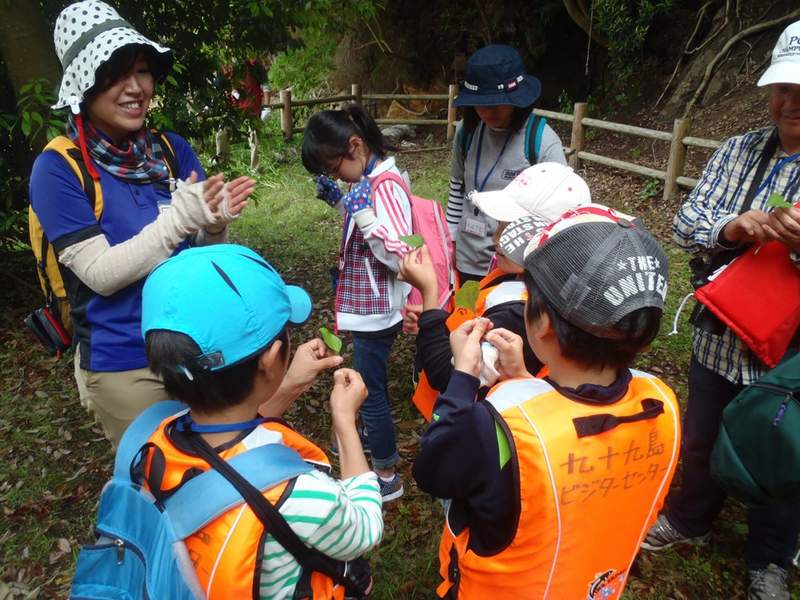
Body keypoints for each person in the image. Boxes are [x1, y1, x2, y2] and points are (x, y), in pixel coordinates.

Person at [413, 205, 681, 599]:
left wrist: (463, 380)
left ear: (542, 325)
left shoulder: (497, 425)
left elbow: (433, 472)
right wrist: (523, 381)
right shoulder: (662, 403)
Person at [28, 0, 255, 447]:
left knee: (220, 474)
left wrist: (213, 226)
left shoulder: (169, 150)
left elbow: (198, 262)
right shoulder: (57, 169)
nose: (136, 87)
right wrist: (178, 221)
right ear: (85, 86)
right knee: (165, 487)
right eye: (114, 74)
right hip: (124, 366)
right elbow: (102, 275)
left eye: (143, 70)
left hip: (196, 345)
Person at [643, 21, 800, 600]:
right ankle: (691, 517)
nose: (789, 103)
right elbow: (687, 222)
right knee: (703, 429)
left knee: (782, 445)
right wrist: (732, 227)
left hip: (790, 350)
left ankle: (771, 558)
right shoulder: (737, 151)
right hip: (722, 330)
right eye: (782, 88)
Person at [139, 244, 383, 600]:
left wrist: (288, 384)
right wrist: (345, 421)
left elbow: (229, 451)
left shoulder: (155, 443)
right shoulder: (298, 494)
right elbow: (364, 529)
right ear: (271, 358)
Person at [399, 163, 590, 420]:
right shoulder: (519, 279)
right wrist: (435, 321)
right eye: (500, 226)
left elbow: (447, 377)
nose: (495, 238)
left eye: (510, 229)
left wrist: (430, 296)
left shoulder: (518, 316)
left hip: (471, 427)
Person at [301, 104, 413, 502]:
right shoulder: (367, 180)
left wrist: (363, 212)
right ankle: (368, 436)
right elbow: (365, 223)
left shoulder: (386, 184)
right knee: (369, 380)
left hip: (379, 311)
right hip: (366, 307)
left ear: (355, 145)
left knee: (371, 389)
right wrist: (343, 202)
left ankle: (385, 471)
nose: (336, 178)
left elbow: (401, 255)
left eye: (334, 169)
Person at [446, 44, 568, 283]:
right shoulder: (466, 134)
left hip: (517, 266)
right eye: (481, 103)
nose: (487, 111)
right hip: (468, 258)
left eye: (496, 104)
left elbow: (560, 212)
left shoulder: (541, 141)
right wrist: (450, 243)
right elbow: (456, 188)